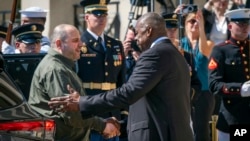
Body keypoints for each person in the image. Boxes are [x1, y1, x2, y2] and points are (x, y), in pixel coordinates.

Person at [48, 12, 194, 141]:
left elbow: (128, 92)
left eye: (138, 33)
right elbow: (156, 105)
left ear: (149, 31)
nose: (136, 39)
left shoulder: (154, 55)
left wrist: (82, 103)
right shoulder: (176, 55)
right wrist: (122, 125)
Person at [28, 24, 120, 141]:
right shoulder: (56, 69)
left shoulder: (62, 65)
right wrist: (102, 125)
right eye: (75, 41)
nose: (81, 44)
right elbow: (71, 113)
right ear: (59, 44)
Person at [77, 0, 127, 141]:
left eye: (104, 14)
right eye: (97, 14)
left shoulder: (115, 44)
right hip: (92, 111)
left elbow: (121, 81)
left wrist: (123, 112)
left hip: (113, 111)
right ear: (87, 17)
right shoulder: (79, 43)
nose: (102, 18)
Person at [174, 6, 215, 141]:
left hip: (203, 92)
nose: (195, 23)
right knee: (185, 128)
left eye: (197, 21)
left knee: (201, 129)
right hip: (185, 91)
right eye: (191, 21)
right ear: (184, 25)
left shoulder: (207, 43)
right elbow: (167, 36)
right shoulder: (180, 43)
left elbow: (204, 50)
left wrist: (201, 25)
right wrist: (174, 16)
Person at [208, 8, 250, 141]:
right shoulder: (220, 51)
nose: (245, 28)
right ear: (230, 26)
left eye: (247, 24)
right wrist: (241, 89)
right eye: (241, 24)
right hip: (234, 118)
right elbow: (214, 84)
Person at [5, 23, 44, 99]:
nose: (34, 46)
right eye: (29, 43)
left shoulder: (43, 63)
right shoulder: (8, 65)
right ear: (17, 45)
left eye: (37, 42)